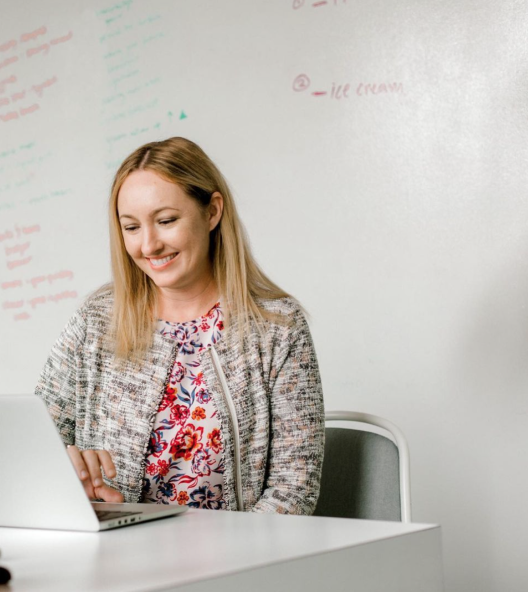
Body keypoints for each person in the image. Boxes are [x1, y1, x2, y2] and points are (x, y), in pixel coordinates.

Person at [35, 137, 325, 513]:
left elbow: (293, 491)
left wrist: (237, 558)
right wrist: (75, 486)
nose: (149, 245)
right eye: (131, 227)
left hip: (239, 561)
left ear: (212, 212)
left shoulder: (278, 327)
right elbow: (38, 445)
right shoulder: (96, 321)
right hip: (115, 558)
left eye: (166, 221)